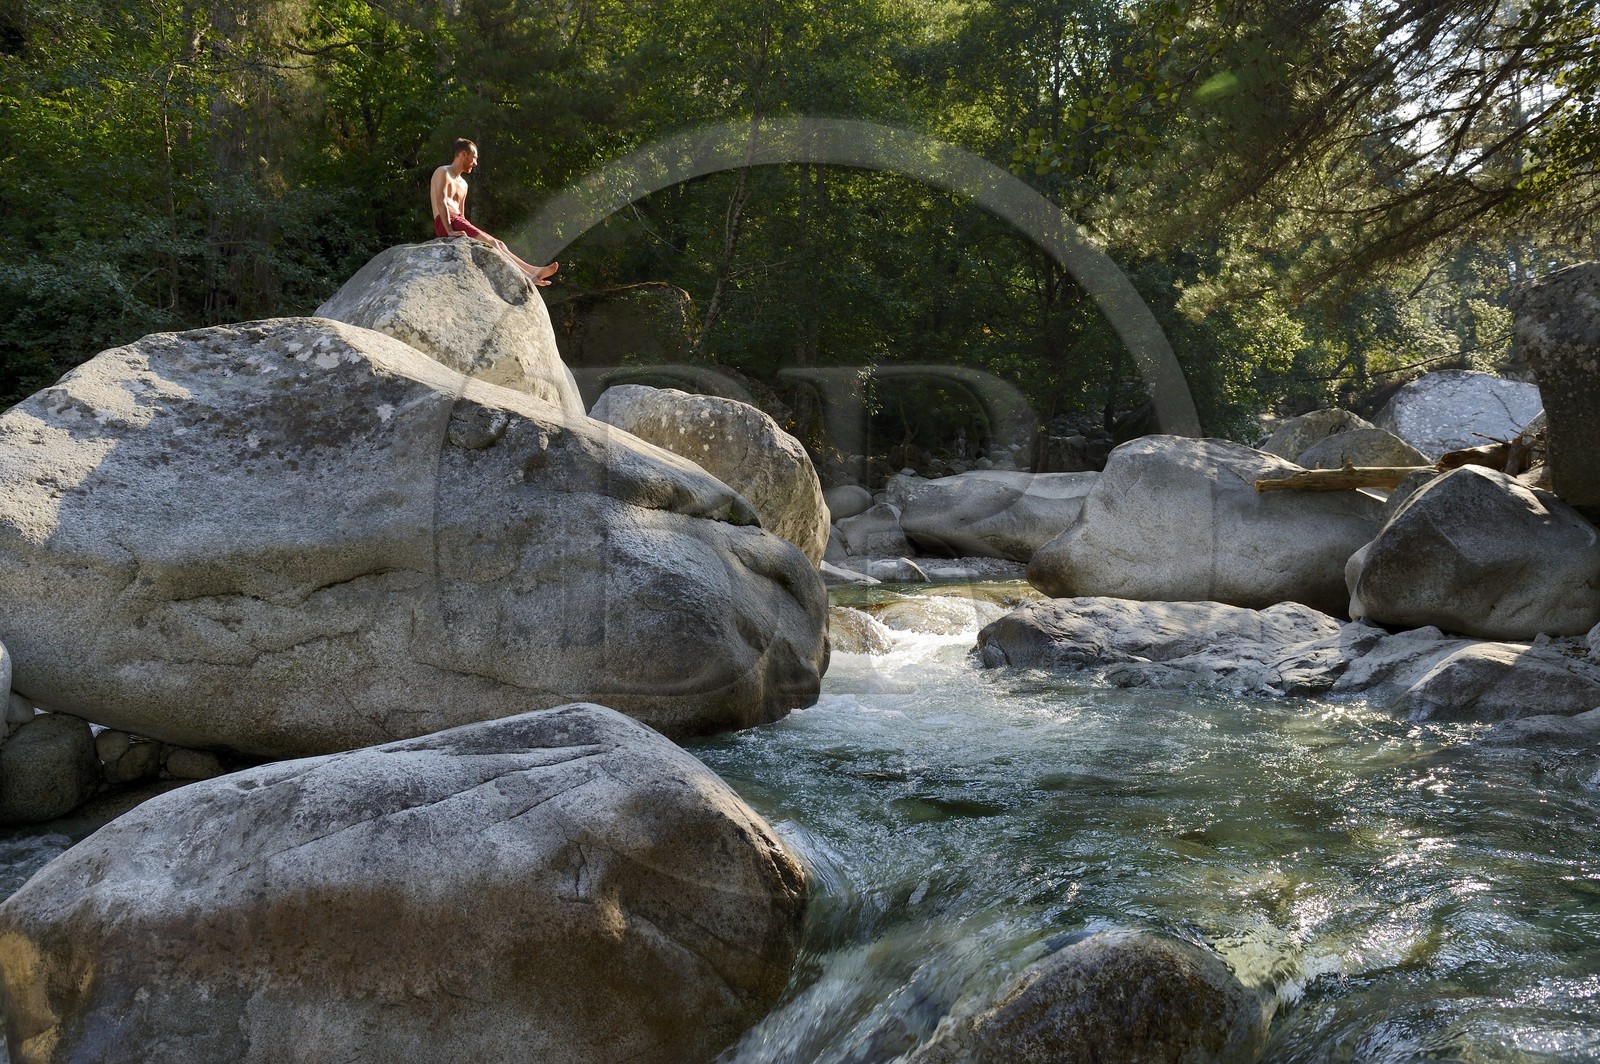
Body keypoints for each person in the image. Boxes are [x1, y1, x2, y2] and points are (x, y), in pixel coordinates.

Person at [430, 138, 559, 286]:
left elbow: (462, 216)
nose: (475, 163)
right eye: (474, 158)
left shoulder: (464, 184)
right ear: (464, 154)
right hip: (446, 222)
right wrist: (450, 230)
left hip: (458, 222)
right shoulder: (443, 172)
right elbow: (441, 201)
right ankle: (527, 276)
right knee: (493, 243)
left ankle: (534, 271)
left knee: (499, 244)